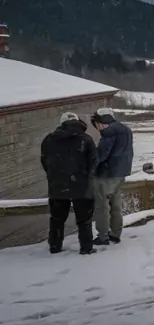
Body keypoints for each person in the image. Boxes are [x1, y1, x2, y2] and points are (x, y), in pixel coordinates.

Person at [41, 113, 98, 255]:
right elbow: (94, 162)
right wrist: (86, 176)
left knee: (57, 219)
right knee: (84, 220)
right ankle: (86, 247)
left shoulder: (49, 139)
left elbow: (45, 161)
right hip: (81, 185)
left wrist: (54, 176)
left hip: (57, 185)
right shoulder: (85, 139)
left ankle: (55, 246)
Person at [91, 107, 134, 246]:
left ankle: (102, 236)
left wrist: (92, 164)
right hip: (121, 173)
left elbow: (102, 155)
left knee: (102, 206)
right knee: (115, 205)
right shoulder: (126, 130)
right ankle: (115, 233)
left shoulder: (108, 132)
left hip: (106, 174)